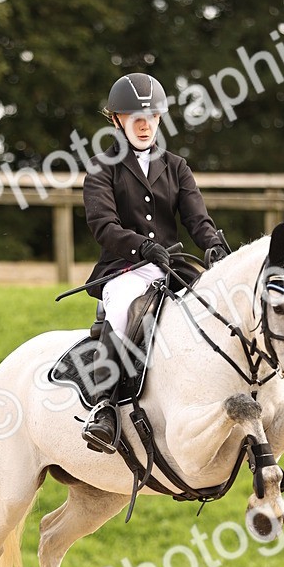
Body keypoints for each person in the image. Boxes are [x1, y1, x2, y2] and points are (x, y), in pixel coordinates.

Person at [81, 72, 227, 454]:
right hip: (124, 269)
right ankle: (105, 407)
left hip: (172, 268)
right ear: (117, 120)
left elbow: (197, 219)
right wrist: (140, 247)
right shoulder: (103, 166)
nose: (145, 126)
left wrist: (214, 246)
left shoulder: (177, 166)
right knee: (123, 309)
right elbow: (102, 224)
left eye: (152, 118)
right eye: (135, 119)